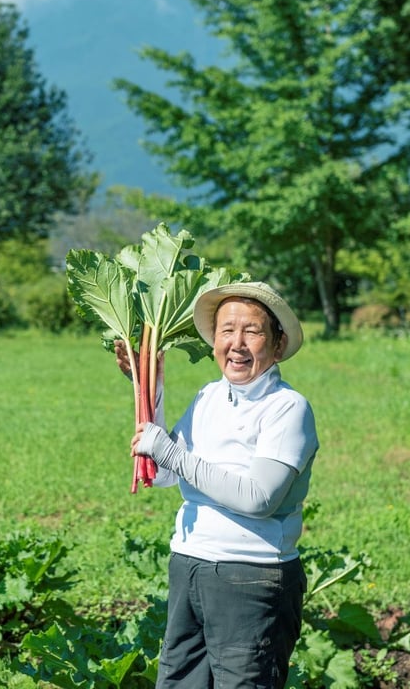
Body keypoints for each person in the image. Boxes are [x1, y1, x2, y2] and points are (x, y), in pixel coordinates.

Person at [120, 281, 318, 689]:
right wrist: (148, 390)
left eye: (253, 331)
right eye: (227, 330)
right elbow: (169, 473)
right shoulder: (209, 396)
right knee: (180, 682)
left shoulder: (287, 408)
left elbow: (259, 497)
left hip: (251, 575)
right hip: (189, 563)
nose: (237, 343)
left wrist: (170, 453)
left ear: (278, 345)